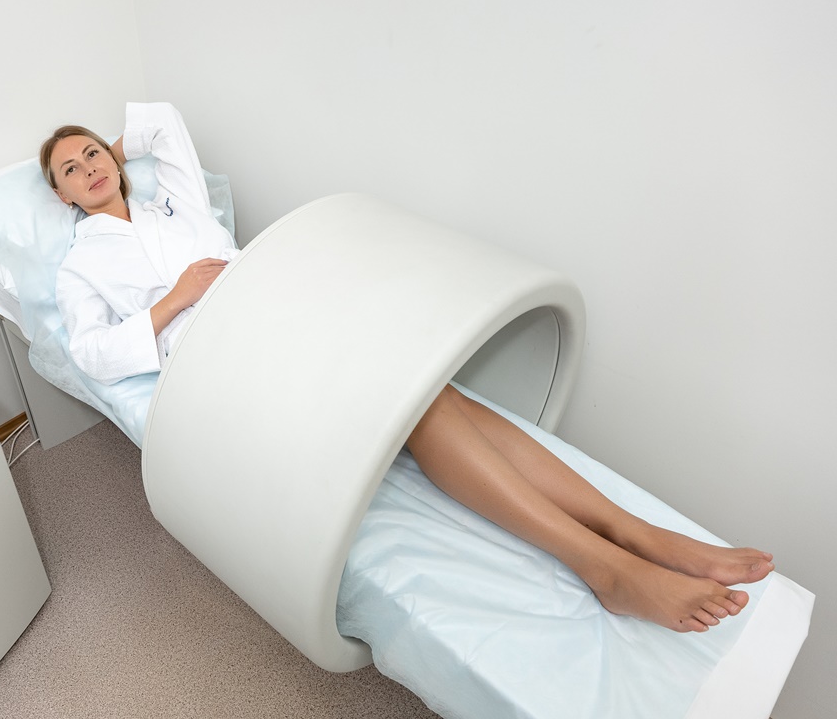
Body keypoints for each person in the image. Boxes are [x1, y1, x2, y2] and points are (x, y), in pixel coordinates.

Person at [41, 103, 774, 634]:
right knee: (418, 403)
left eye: (93, 154)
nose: (89, 169)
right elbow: (93, 356)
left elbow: (161, 122)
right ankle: (607, 560)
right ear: (62, 197)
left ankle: (633, 536)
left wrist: (114, 146)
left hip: (289, 307)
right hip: (226, 358)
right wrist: (173, 301)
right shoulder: (80, 266)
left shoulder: (174, 202)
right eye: (70, 170)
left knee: (433, 394)